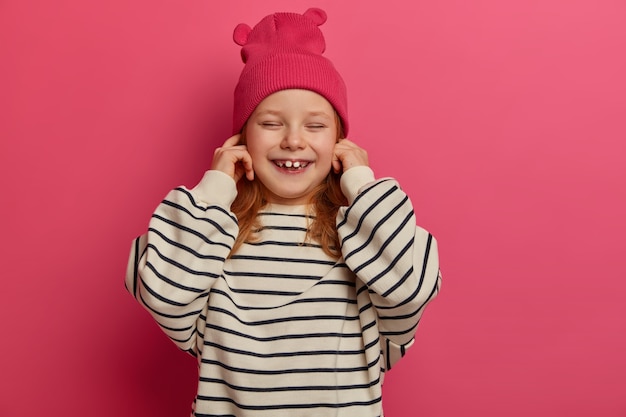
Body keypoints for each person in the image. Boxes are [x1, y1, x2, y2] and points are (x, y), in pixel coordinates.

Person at [125, 7, 441, 417]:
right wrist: (215, 187)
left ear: (341, 142)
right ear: (240, 137)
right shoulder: (211, 234)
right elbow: (164, 293)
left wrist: (362, 183)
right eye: (271, 123)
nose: (294, 140)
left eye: (316, 125)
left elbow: (410, 288)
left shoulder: (368, 238)